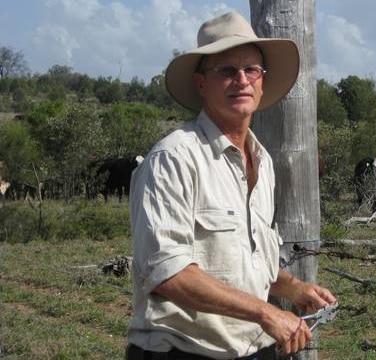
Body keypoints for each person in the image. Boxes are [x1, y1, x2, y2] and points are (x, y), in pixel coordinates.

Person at [126, 11, 337, 360]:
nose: (241, 80)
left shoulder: (262, 161)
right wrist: (266, 312)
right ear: (201, 84)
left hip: (254, 349)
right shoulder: (174, 158)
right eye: (226, 71)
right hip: (183, 352)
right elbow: (166, 273)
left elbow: (247, 265)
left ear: (262, 82)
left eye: (251, 69)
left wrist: (295, 288)